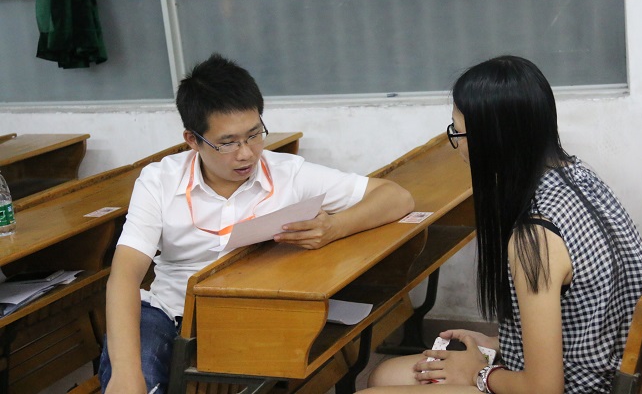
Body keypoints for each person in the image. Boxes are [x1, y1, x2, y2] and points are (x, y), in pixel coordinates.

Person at [98, 53, 415, 394]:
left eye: (254, 135)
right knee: (134, 375)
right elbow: (125, 275)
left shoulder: (288, 175)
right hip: (168, 311)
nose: (246, 153)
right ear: (192, 140)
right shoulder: (159, 180)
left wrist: (335, 228)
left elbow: (396, 197)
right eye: (228, 142)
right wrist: (126, 373)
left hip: (250, 313)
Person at [360, 56, 642, 394]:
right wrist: (500, 342)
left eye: (458, 132)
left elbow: (544, 389)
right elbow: (583, 320)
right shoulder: (580, 176)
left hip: (577, 387)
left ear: (493, 139)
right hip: (603, 367)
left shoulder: (535, 237)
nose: (457, 144)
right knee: (384, 375)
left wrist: (478, 373)